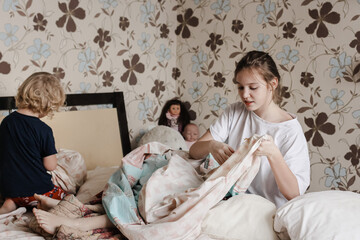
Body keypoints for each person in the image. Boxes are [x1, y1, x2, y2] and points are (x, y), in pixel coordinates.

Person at [189, 51, 310, 208]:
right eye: (240, 87)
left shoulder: (290, 131)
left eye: (253, 87)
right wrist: (212, 145)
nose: (245, 95)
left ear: (272, 84)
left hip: (267, 210)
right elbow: (194, 151)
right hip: (233, 201)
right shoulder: (235, 112)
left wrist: (274, 154)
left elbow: (294, 194)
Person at [0, 72, 67, 215]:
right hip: (38, 190)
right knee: (66, 198)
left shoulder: (6, 122)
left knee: (15, 194)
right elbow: (50, 165)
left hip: (10, 189)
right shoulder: (44, 130)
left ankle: (10, 203)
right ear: (49, 104)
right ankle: (41, 204)